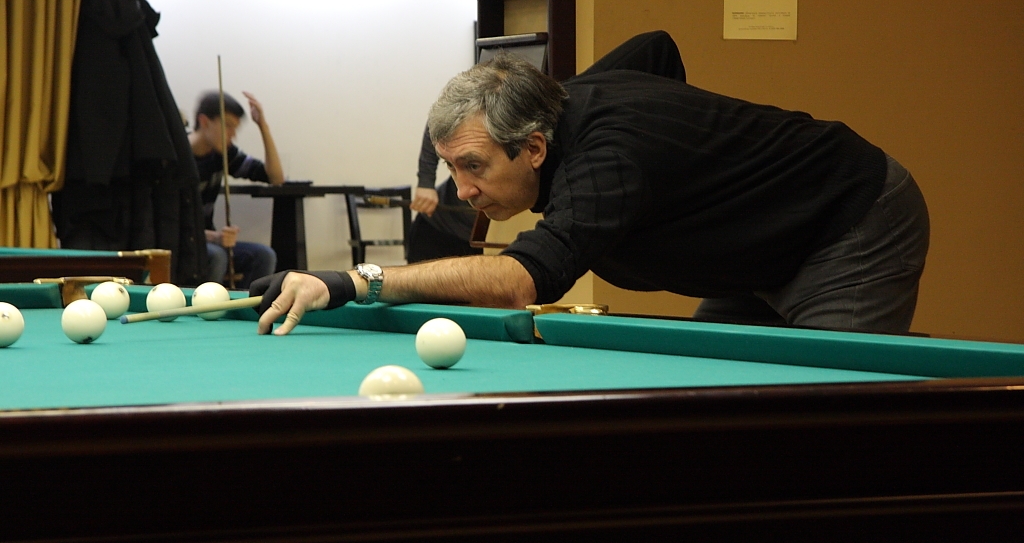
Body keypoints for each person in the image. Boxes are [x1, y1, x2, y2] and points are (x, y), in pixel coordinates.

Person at [251, 31, 929, 336]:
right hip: (751, 254)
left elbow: (520, 282)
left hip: (848, 221)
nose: (462, 190)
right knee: (715, 399)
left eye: (474, 166)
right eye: (452, 167)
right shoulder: (559, 102)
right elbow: (657, 46)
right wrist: (688, 168)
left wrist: (352, 281)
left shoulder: (606, 165)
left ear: (534, 148)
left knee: (826, 421)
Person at [189, 90, 284, 288]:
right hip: (182, 243)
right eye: (228, 126)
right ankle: (207, 306)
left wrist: (263, 126)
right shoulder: (178, 157)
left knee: (264, 256)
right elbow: (171, 225)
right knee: (217, 256)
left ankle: (247, 307)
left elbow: (275, 177)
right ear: (204, 122)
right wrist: (215, 237)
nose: (233, 134)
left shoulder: (223, 153)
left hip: (207, 241)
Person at [407, 125, 482, 263]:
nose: (464, 193)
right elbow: (437, 122)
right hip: (441, 228)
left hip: (492, 237)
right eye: (449, 164)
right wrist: (426, 182)